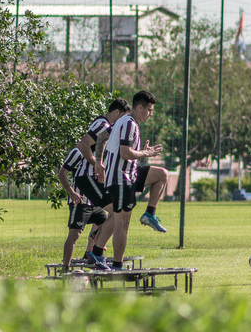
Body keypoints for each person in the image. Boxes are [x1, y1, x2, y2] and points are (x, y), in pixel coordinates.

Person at [93, 90, 168, 271]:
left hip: (130, 173)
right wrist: (145, 153)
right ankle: (116, 264)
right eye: (149, 110)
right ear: (139, 107)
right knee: (122, 223)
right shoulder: (128, 124)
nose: (151, 114)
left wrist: (99, 162)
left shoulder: (126, 122)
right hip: (120, 178)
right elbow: (125, 153)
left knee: (162, 174)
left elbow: (102, 136)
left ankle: (149, 214)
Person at [75, 98, 130, 270]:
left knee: (108, 215)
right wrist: (97, 165)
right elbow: (83, 145)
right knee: (117, 211)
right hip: (87, 176)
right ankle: (95, 253)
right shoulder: (103, 123)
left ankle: (92, 252)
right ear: (116, 113)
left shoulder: (108, 127)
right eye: (122, 118)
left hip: (93, 177)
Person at [57, 147, 108, 273]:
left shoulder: (103, 153)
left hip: (95, 202)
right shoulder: (78, 152)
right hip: (80, 202)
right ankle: (65, 268)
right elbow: (62, 173)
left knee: (108, 224)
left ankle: (90, 253)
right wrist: (71, 193)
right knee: (74, 234)